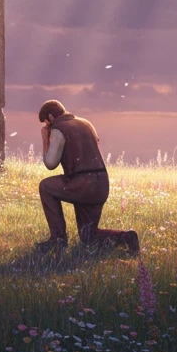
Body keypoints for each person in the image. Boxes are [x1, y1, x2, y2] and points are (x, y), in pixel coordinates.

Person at [35, 99, 139, 256]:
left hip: (81, 183)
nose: (47, 127)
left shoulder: (58, 129)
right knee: (88, 236)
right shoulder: (86, 123)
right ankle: (126, 237)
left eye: (46, 123)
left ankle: (58, 240)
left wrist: (45, 139)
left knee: (46, 186)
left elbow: (50, 163)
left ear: (50, 117)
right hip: (101, 183)